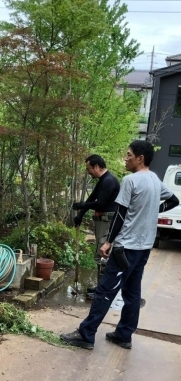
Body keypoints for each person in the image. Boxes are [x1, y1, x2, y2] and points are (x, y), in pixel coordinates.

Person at [61, 140, 179, 350]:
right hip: (144, 248)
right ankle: (124, 334)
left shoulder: (131, 180)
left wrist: (108, 242)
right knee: (132, 292)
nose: (125, 159)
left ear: (140, 158)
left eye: (129, 155)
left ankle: (86, 334)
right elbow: (173, 201)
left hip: (126, 247)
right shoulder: (155, 180)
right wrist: (151, 211)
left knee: (105, 290)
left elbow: (119, 216)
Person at [73, 155, 120, 287]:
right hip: (101, 224)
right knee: (99, 255)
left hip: (107, 224)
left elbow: (100, 204)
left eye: (89, 169)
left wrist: (81, 205)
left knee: (103, 256)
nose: (88, 172)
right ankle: (101, 287)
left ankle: (104, 289)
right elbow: (91, 199)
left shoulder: (109, 180)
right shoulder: (102, 181)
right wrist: (80, 215)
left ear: (97, 166)